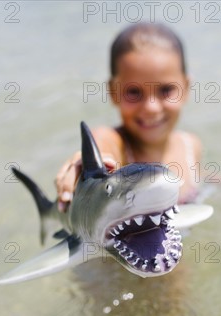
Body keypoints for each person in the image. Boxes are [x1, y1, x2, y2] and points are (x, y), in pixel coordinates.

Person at [55, 22, 202, 212]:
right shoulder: (117, 144)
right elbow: (102, 148)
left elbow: (198, 174)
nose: (151, 108)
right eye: (133, 92)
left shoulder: (190, 144)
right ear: (113, 92)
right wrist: (87, 165)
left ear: (186, 88)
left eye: (166, 90)